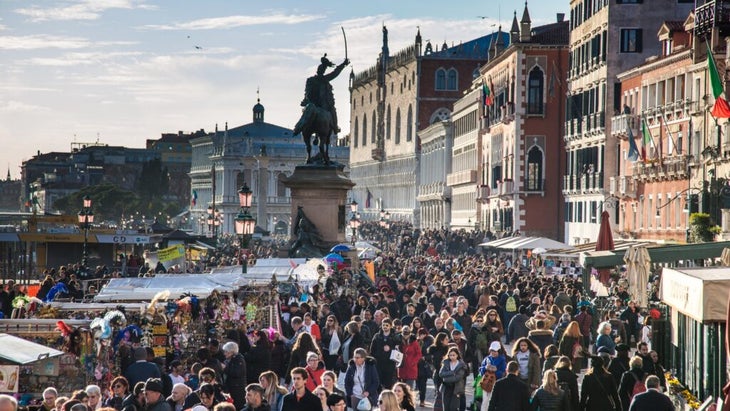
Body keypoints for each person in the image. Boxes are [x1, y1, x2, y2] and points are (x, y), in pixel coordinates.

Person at [298, 54, 349, 133]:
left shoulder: (310, 80)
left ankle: (299, 127)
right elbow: (335, 73)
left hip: (311, 103)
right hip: (323, 105)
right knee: (333, 111)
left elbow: (307, 92)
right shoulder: (324, 79)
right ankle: (335, 127)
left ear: (318, 70)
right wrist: (343, 64)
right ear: (323, 71)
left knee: (305, 116)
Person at [438, 346, 468, 411]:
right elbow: (441, 374)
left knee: (453, 407)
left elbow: (458, 377)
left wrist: (446, 378)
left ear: (457, 355)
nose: (452, 357)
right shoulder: (446, 363)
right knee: (446, 407)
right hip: (446, 387)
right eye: (450, 355)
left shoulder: (461, 364)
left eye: (453, 355)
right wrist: (452, 373)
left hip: (456, 388)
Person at [221, 341, 247, 410]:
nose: (224, 354)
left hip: (237, 390)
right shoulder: (229, 360)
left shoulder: (239, 360)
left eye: (226, 352)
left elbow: (237, 373)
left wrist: (225, 368)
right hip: (232, 388)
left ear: (232, 352)